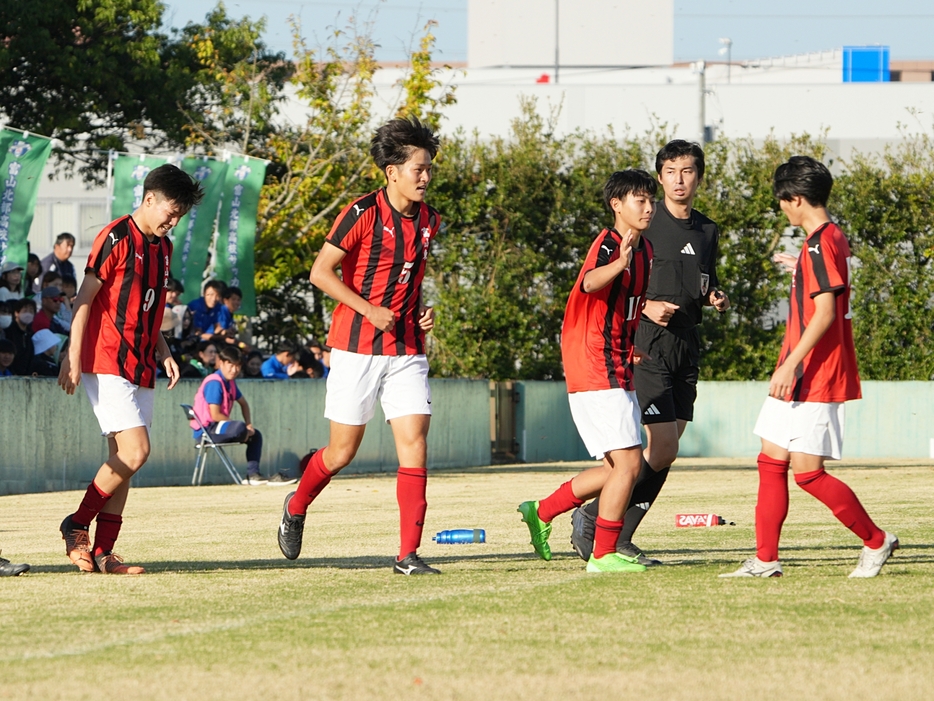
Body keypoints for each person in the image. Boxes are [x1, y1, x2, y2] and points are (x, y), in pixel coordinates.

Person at [277, 116, 443, 575]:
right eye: (418, 169)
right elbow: (320, 272)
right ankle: (297, 502)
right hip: (355, 346)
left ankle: (407, 555)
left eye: (429, 168)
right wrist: (368, 309)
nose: (426, 177)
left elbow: (408, 282)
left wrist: (422, 312)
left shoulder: (429, 220)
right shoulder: (361, 213)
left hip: (407, 348)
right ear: (392, 171)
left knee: (415, 443)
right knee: (342, 452)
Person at [722, 156, 897, 579]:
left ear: (795, 199)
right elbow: (826, 286)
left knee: (808, 474)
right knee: (770, 460)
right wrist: (798, 266)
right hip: (802, 370)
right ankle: (766, 560)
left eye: (783, 200)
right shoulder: (826, 239)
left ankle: (876, 541)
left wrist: (790, 365)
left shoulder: (818, 244)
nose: (782, 207)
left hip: (813, 373)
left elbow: (824, 313)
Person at [570, 140, 731, 565]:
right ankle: (608, 534)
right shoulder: (643, 221)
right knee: (660, 449)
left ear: (699, 177)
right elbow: (609, 284)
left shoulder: (708, 229)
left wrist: (713, 294)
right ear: (660, 178)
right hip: (645, 343)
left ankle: (598, 519)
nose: (680, 180)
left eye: (688, 171)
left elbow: (703, 276)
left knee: (665, 450)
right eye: (672, 172)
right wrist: (648, 307)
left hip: (686, 345)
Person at [57, 163, 203, 576]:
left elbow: (149, 307)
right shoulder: (115, 236)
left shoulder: (164, 247)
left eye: (179, 217)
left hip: (140, 362)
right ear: (149, 198)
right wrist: (72, 354)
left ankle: (104, 552)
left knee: (122, 461)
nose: (173, 222)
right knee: (136, 451)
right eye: (170, 212)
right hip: (105, 358)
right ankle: (77, 523)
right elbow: (83, 300)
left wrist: (164, 348)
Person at [517, 169, 656, 573]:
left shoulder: (643, 250)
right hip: (593, 362)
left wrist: (632, 348)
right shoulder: (610, 243)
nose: (648, 207)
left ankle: (542, 510)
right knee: (630, 463)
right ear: (617, 205)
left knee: (617, 467)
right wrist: (619, 263)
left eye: (650, 200)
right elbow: (590, 283)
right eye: (639, 200)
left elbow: (621, 308)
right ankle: (604, 554)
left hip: (615, 362)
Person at [190, 345, 293, 485]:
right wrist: (242, 428)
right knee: (239, 427)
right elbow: (215, 415)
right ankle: (250, 467)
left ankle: (253, 474)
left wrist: (248, 424)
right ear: (221, 363)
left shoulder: (230, 382)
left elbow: (244, 404)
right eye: (230, 365)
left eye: (238, 366)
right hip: (207, 430)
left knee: (255, 434)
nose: (234, 370)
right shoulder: (215, 382)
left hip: (218, 427)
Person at [6, 298, 36, 375]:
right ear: (16, 313)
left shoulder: (30, 334)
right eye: (25, 311)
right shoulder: (9, 331)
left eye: (31, 311)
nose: (28, 314)